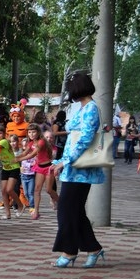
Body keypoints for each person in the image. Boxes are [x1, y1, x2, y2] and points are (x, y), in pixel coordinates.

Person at [50, 72, 105, 268]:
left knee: (66, 210)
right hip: (73, 168)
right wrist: (61, 161)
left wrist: (65, 161)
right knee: (75, 211)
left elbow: (85, 139)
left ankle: (69, 251)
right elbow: (75, 138)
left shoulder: (91, 108)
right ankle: (93, 249)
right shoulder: (82, 107)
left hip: (81, 169)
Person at [17, 123, 58, 220]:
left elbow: (32, 155)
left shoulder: (41, 142)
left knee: (49, 190)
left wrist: (17, 160)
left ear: (38, 132)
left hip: (48, 167)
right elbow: (25, 152)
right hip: (39, 167)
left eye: (33, 132)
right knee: (36, 189)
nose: (31, 134)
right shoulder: (30, 143)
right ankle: (36, 211)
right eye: (29, 132)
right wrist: (15, 157)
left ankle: (61, 203)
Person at [0, 137, 23, 220]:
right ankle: (8, 214)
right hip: (5, 169)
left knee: (9, 189)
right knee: (3, 191)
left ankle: (20, 205)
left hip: (14, 168)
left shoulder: (3, 142)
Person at [19, 136, 35, 212]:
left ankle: (32, 206)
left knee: (30, 193)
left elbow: (34, 163)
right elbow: (23, 163)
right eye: (24, 146)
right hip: (23, 176)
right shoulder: (22, 154)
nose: (25, 147)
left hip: (31, 176)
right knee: (25, 193)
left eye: (26, 145)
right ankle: (29, 203)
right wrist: (30, 165)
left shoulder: (33, 154)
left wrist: (29, 165)